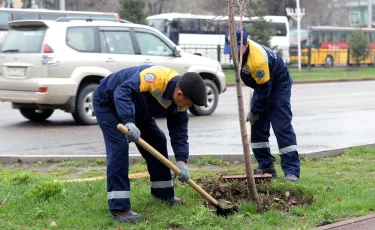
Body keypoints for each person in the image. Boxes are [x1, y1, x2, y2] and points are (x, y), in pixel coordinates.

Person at [93, 64, 207, 223]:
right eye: (188, 103)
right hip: (108, 102)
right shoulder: (155, 78)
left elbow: (179, 133)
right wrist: (129, 122)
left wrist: (181, 161)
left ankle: (163, 195)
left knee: (157, 141)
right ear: (180, 94)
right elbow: (122, 91)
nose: (187, 107)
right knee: (119, 148)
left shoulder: (179, 103)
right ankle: (119, 209)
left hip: (137, 109)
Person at [224, 28, 300, 182]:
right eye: (230, 50)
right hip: (261, 86)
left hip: (278, 85)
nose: (232, 54)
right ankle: (266, 166)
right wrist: (256, 112)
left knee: (281, 125)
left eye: (236, 50)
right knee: (257, 125)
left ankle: (291, 171)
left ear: (245, 45)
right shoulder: (240, 54)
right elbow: (260, 88)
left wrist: (254, 110)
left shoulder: (257, 60)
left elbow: (265, 89)